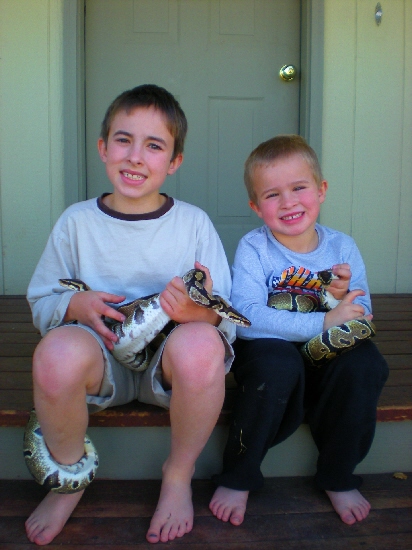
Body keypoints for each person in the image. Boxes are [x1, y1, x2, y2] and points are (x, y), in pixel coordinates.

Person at [25, 84, 236, 545]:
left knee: (203, 347)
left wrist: (197, 314)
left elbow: (229, 318)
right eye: (124, 139)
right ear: (103, 148)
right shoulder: (76, 223)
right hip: (99, 362)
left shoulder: (193, 224)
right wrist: (73, 304)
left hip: (170, 369)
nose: (136, 156)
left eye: (154, 145)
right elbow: (42, 301)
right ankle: (68, 476)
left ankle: (178, 474)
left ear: (174, 161)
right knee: (53, 355)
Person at [209, 135, 389, 527]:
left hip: (326, 352)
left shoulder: (342, 246)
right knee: (275, 367)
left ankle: (338, 475)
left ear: (321, 191)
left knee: (366, 366)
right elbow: (247, 316)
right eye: (272, 195)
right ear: (256, 207)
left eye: (299, 188)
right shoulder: (254, 248)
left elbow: (362, 315)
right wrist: (324, 320)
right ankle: (239, 474)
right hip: (270, 349)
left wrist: (334, 299)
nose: (288, 202)